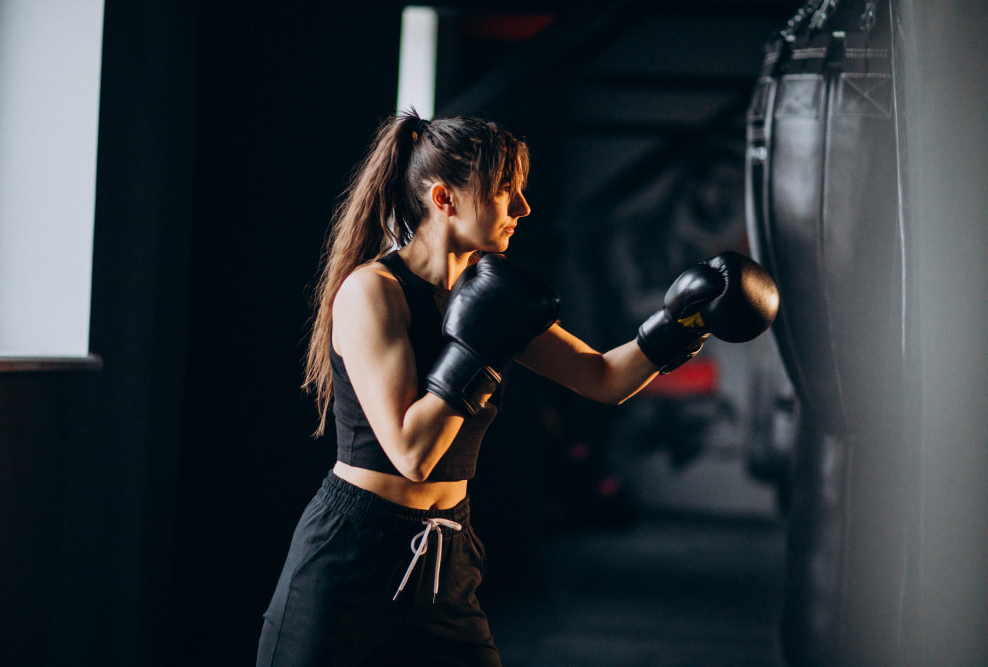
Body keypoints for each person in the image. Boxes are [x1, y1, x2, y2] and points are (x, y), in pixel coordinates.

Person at [256, 109, 778, 666]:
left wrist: (683, 324)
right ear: (443, 199)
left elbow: (603, 378)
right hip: (351, 559)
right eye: (507, 191)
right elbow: (411, 452)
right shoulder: (373, 293)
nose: (522, 209)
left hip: (445, 558)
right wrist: (476, 349)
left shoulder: (487, 295)